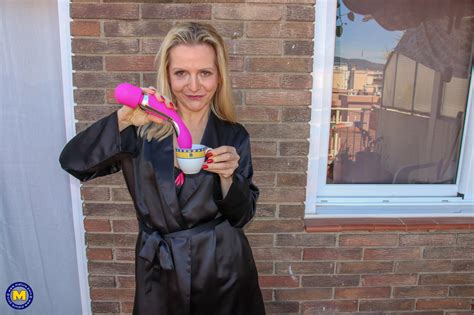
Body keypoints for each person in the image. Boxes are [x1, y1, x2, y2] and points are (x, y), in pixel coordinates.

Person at [59, 22, 265, 315]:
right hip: (160, 267)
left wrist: (228, 177)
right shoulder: (142, 129)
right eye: (181, 73)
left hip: (222, 268)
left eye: (204, 73)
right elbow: (74, 162)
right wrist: (123, 119)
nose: (193, 86)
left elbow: (242, 215)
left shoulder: (233, 136)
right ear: (167, 75)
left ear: (219, 77)